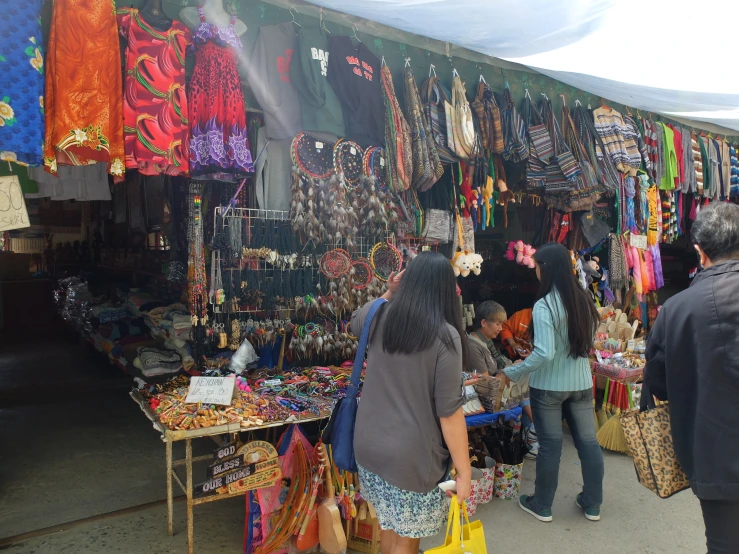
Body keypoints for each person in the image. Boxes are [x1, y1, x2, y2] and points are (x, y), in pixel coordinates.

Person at [352, 252, 471, 554]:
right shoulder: (445, 336)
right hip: (410, 458)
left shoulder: (381, 315)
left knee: (389, 529)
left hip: (369, 446)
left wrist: (390, 291)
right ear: (446, 288)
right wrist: (465, 471)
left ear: (409, 281)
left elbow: (355, 322)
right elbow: (450, 413)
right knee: (405, 542)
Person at [644, 203, 739, 554]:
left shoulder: (678, 309)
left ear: (699, 251)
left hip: (715, 455)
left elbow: (658, 383)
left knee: (724, 544)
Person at [497, 242, 603, 523]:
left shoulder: (545, 305)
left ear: (546, 269)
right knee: (588, 443)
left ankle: (542, 504)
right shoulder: (583, 298)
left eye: (538, 266)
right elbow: (588, 339)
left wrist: (513, 371)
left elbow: (544, 353)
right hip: (580, 384)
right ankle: (592, 504)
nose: (536, 272)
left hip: (548, 389)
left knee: (551, 446)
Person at [467, 301, 536, 439]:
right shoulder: (474, 346)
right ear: (484, 323)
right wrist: (510, 370)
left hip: (495, 389)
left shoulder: (486, 341)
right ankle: (536, 430)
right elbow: (485, 384)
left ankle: (533, 431)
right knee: (523, 384)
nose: (501, 328)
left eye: (502, 324)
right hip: (486, 396)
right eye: (498, 324)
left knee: (526, 380)